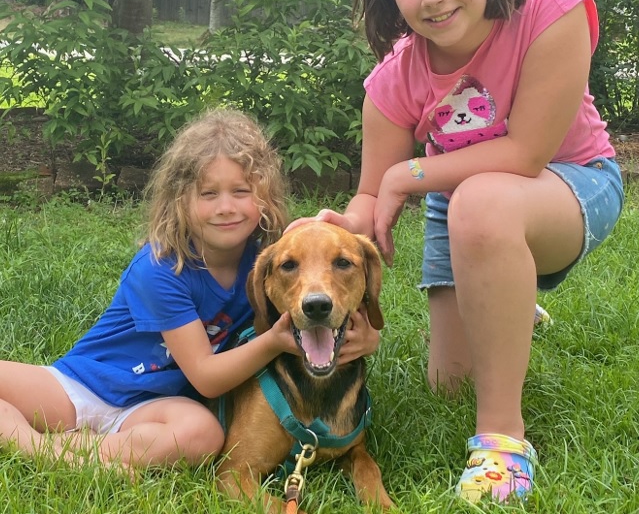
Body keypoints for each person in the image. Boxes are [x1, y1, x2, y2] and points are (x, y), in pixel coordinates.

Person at [294, 0, 624, 503]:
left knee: (481, 200)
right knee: (448, 383)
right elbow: (371, 196)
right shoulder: (394, 79)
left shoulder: (550, 5)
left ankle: (502, 440)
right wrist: (340, 228)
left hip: (573, 182)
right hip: (465, 205)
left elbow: (526, 154)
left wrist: (406, 175)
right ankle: (503, 292)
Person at [0, 109, 380, 472]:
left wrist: (368, 337)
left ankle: (89, 449)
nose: (226, 207)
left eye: (241, 190)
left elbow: (324, 290)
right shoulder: (159, 268)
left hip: (156, 407)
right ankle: (47, 450)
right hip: (85, 388)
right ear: (179, 201)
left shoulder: (271, 265)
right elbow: (206, 377)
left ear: (264, 197)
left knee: (204, 436)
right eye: (208, 194)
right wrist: (274, 342)